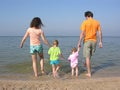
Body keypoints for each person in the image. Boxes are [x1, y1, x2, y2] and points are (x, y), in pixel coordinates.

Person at [77, 11, 103, 77]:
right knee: (89, 56)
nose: (85, 18)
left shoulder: (85, 22)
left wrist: (79, 42)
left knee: (87, 57)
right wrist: (100, 42)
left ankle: (89, 73)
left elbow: (82, 33)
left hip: (87, 41)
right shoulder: (97, 22)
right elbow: (100, 32)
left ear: (87, 16)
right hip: (94, 41)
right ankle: (86, 64)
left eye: (85, 17)